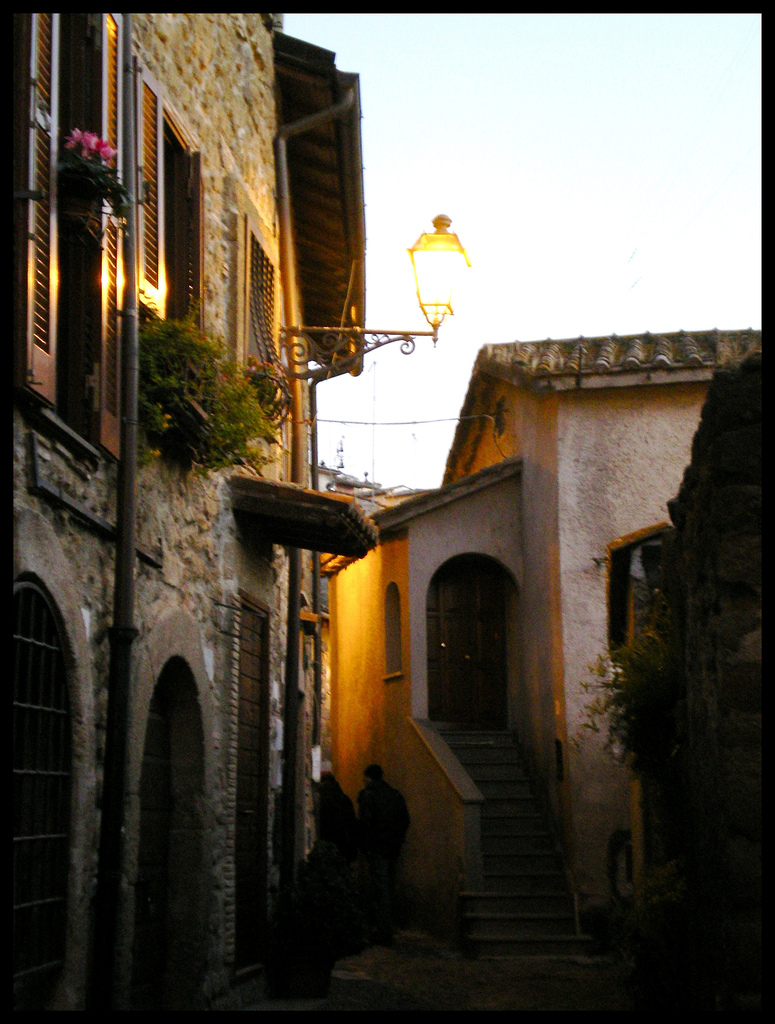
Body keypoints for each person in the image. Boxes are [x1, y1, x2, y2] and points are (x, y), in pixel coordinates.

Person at [357, 763, 410, 946]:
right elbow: (405, 820)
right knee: (388, 886)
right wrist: (398, 839)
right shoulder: (395, 795)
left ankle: (383, 931)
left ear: (368, 778)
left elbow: (365, 824)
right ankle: (386, 927)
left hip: (377, 848)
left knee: (381, 890)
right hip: (393, 848)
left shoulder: (369, 795)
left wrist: (366, 847)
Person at [318, 770, 358, 863]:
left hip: (326, 843)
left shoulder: (321, 799)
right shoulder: (344, 799)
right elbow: (351, 823)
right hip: (344, 844)